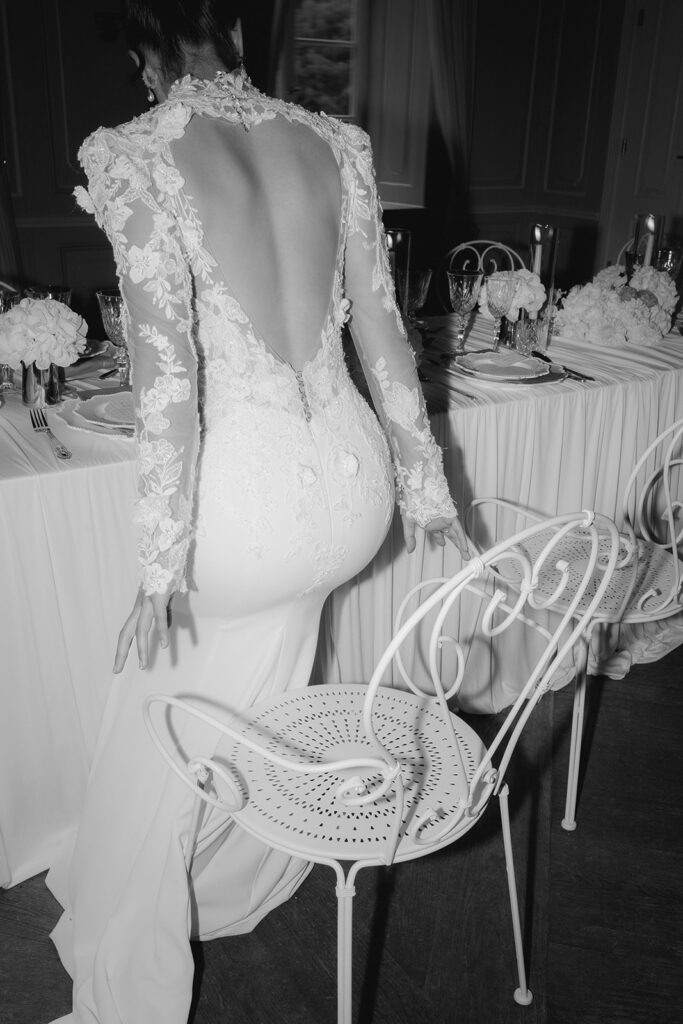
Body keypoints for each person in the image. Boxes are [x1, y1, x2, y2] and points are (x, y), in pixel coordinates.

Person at [44, 2, 470, 1021]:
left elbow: (166, 377)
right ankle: (239, 871)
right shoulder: (334, 141)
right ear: (235, 28)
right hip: (349, 490)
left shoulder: (131, 150)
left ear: (143, 51)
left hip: (241, 508)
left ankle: (134, 954)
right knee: (263, 673)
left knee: (156, 712)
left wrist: (158, 568)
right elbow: (381, 329)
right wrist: (426, 490)